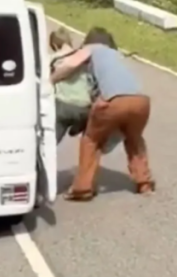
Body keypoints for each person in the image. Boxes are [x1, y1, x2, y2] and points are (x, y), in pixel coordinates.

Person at [50, 26, 153, 201]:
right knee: (134, 140)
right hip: (141, 101)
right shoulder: (118, 55)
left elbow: (70, 64)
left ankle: (82, 188)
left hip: (113, 100)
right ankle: (144, 183)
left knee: (91, 140)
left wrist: (51, 80)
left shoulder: (92, 48)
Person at [49, 27, 92, 142]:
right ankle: (78, 126)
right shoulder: (82, 56)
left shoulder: (54, 59)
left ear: (55, 44)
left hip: (64, 105)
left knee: (52, 141)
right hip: (84, 106)